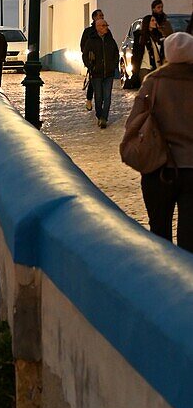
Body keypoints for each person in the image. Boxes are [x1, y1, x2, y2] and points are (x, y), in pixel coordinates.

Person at [121, 31, 193, 251]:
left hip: (158, 167)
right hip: (191, 169)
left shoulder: (153, 81)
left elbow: (134, 121)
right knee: (190, 238)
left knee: (159, 233)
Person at [82, 17, 118, 128]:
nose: (106, 28)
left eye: (106, 25)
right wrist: (90, 66)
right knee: (98, 96)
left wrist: (113, 66)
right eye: (103, 26)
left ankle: (104, 118)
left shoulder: (110, 40)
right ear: (97, 28)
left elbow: (116, 53)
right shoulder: (91, 41)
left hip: (109, 73)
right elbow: (85, 55)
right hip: (96, 73)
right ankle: (99, 115)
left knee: (107, 97)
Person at [80, 9, 104, 110]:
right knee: (93, 80)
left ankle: (100, 100)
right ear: (94, 18)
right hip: (93, 61)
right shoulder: (88, 31)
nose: (102, 17)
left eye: (102, 15)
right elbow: (83, 46)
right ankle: (89, 99)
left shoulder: (105, 30)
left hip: (104, 60)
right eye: (100, 15)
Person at [132, 14, 165, 81]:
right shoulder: (140, 36)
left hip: (157, 67)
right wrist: (135, 69)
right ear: (147, 23)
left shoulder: (158, 35)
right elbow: (136, 53)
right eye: (152, 21)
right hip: (144, 67)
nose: (155, 22)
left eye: (155, 20)